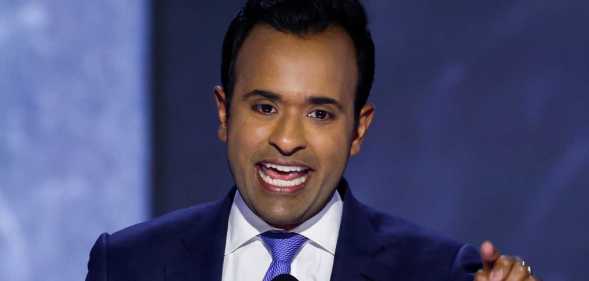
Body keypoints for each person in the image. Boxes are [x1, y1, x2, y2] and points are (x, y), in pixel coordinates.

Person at [85, 0, 539, 280]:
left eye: (320, 113)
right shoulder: (127, 266)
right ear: (224, 112)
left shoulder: (436, 273)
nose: (286, 140)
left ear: (358, 129)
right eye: (265, 107)